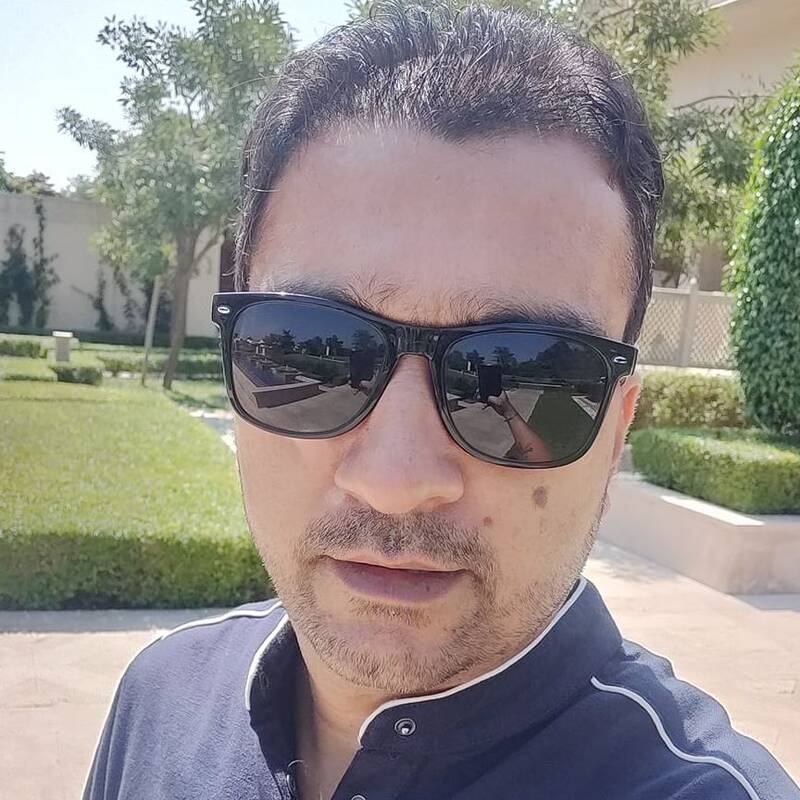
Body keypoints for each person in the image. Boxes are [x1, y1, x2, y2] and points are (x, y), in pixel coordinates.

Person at [83, 4, 800, 799]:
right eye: (316, 349)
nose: (396, 480)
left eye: (523, 376)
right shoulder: (161, 698)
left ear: (615, 429)